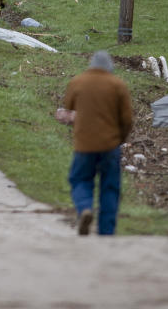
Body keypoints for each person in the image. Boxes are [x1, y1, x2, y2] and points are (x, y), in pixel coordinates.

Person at [57, 50, 133, 236]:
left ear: (91, 64)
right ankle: (106, 231)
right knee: (110, 187)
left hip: (84, 144)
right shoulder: (118, 85)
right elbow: (127, 119)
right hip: (110, 145)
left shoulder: (78, 82)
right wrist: (120, 139)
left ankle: (84, 208)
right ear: (110, 67)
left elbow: (69, 108)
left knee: (80, 179)